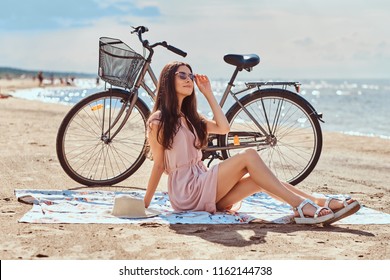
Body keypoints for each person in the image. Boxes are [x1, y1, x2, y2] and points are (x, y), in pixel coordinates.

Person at [144, 61, 360, 225]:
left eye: (190, 75)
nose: (188, 79)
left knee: (258, 179)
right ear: (167, 81)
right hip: (187, 191)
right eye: (181, 75)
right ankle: (302, 206)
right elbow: (159, 165)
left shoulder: (191, 118)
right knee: (248, 155)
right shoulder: (158, 120)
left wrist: (208, 93)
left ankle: (318, 202)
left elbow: (223, 128)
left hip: (203, 185)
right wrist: (145, 203)